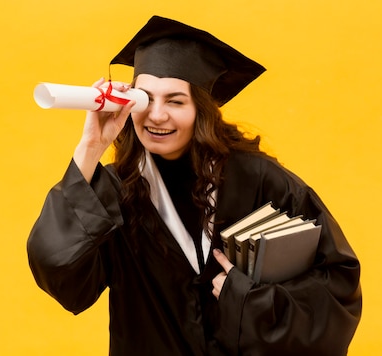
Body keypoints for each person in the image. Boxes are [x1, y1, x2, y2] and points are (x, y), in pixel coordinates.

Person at [26, 15, 362, 355]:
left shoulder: (259, 180)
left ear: (201, 110)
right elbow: (59, 273)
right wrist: (90, 149)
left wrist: (249, 302)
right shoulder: (118, 190)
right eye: (145, 99)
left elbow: (337, 291)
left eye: (175, 101)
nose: (156, 116)